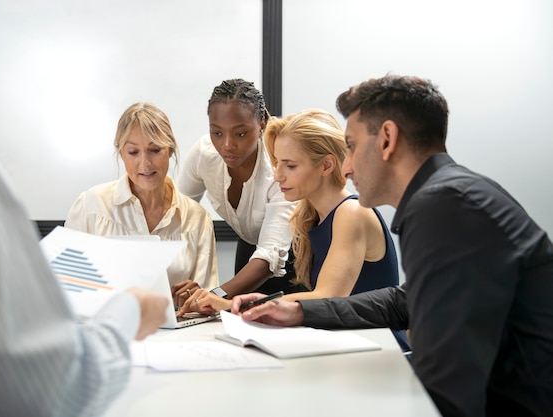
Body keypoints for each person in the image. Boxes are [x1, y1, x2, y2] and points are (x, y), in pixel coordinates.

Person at [231, 75, 553, 417]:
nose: (348, 165)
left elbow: (453, 377)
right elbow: (406, 299)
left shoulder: (444, 204)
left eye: (351, 146)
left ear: (387, 139)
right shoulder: (451, 194)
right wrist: (299, 310)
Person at [0, 1, 170, 415]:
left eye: (155, 150)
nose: (144, 162)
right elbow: (50, 392)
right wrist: (130, 308)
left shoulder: (194, 214)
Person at [179, 108, 409, 351]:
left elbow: (327, 297)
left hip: (380, 352)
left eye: (289, 166)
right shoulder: (311, 217)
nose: (277, 176)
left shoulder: (351, 213)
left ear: (326, 165)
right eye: (277, 164)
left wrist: (231, 305)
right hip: (345, 346)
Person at [65, 102, 219, 308]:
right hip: (106, 333)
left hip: (177, 337)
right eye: (133, 152)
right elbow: (67, 291)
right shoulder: (90, 206)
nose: (145, 163)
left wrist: (196, 299)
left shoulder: (197, 218)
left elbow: (207, 300)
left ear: (171, 150)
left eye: (155, 150)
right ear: (120, 153)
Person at [176, 78, 305, 303]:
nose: (227, 145)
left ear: (263, 121)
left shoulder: (279, 167)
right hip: (249, 249)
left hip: (294, 260)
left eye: (240, 134)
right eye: (217, 133)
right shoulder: (204, 155)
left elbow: (269, 256)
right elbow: (177, 215)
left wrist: (214, 295)